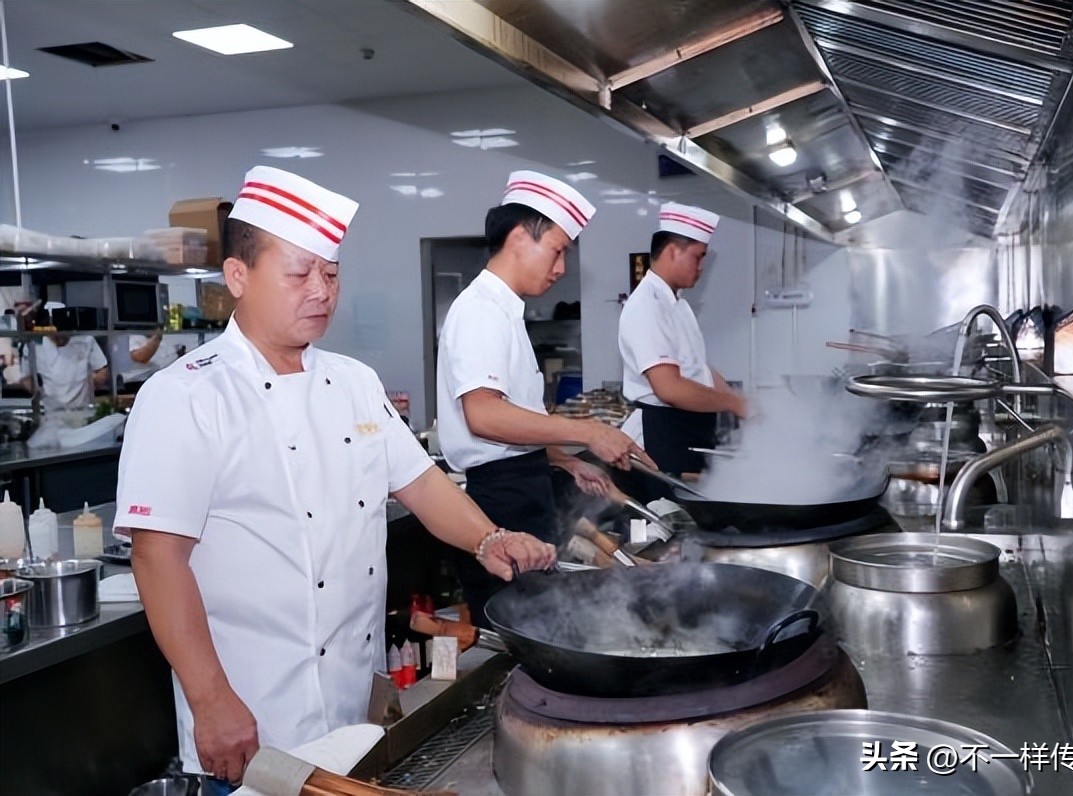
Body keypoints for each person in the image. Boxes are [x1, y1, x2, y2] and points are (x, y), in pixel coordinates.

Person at [115, 166, 555, 791]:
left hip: (354, 713)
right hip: (250, 720)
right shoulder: (184, 396)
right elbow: (158, 559)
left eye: (331, 273)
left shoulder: (353, 382)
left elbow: (423, 483)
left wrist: (489, 539)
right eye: (299, 274)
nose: (321, 291)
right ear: (238, 277)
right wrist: (210, 700)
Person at [437, 170, 653, 624]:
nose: (560, 269)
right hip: (500, 501)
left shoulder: (506, 312)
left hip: (524, 485)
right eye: (556, 252)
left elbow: (517, 418)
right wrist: (588, 432)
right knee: (523, 634)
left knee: (543, 627)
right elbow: (484, 416)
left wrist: (564, 459)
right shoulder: (480, 311)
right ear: (519, 236)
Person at [618, 202, 747, 499]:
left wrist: (739, 401)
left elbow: (697, 368)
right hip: (662, 434)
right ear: (673, 250)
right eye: (698, 258)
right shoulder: (646, 305)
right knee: (672, 519)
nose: (700, 268)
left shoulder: (678, 304)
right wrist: (733, 404)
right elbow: (670, 388)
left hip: (687, 429)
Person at [18, 303, 109, 410]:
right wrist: (41, 395)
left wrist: (94, 383)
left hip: (82, 409)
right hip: (51, 410)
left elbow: (103, 370)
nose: (60, 338)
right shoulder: (34, 344)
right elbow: (25, 378)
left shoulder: (85, 339)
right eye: (55, 335)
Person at [121, 330, 187, 392]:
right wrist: (157, 337)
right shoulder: (131, 337)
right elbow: (141, 357)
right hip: (138, 383)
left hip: (168, 378)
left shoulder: (168, 338)